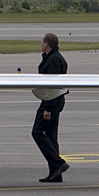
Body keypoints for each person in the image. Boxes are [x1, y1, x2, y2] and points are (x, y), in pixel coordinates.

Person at [34, 32, 69, 183]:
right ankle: (56, 173)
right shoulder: (53, 58)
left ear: (47, 43)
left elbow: (52, 85)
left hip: (51, 100)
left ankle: (58, 163)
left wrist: (47, 108)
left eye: (42, 42)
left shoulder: (54, 60)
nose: (41, 44)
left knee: (37, 132)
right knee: (51, 136)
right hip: (54, 99)